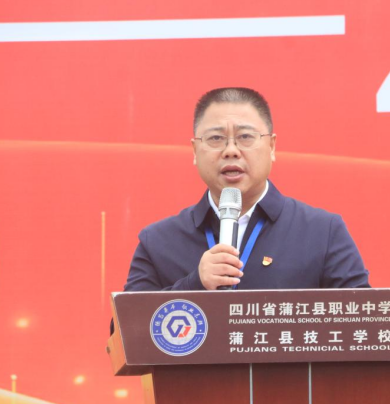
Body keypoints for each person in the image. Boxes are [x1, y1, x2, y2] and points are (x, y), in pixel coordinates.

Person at [124, 87, 369, 294]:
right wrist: (194, 284)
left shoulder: (322, 232)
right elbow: (123, 328)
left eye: (245, 137)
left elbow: (366, 320)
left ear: (271, 146)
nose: (231, 150)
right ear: (195, 151)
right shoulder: (158, 241)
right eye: (216, 138)